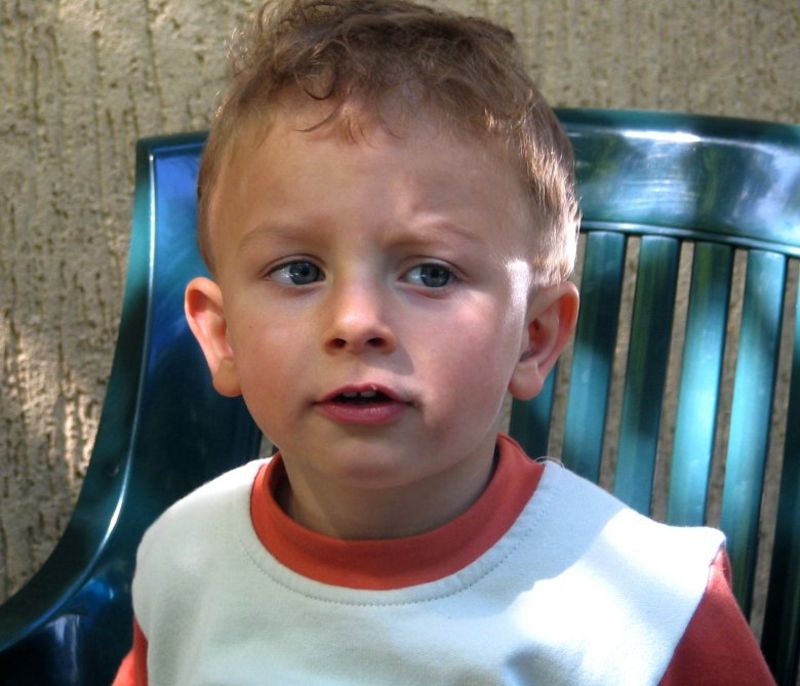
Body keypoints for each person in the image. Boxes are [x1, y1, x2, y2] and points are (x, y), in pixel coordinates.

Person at [114, 0, 775, 683]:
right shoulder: (184, 561)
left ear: (534, 338)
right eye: (299, 271)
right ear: (222, 336)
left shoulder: (650, 615)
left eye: (431, 273)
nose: (356, 321)